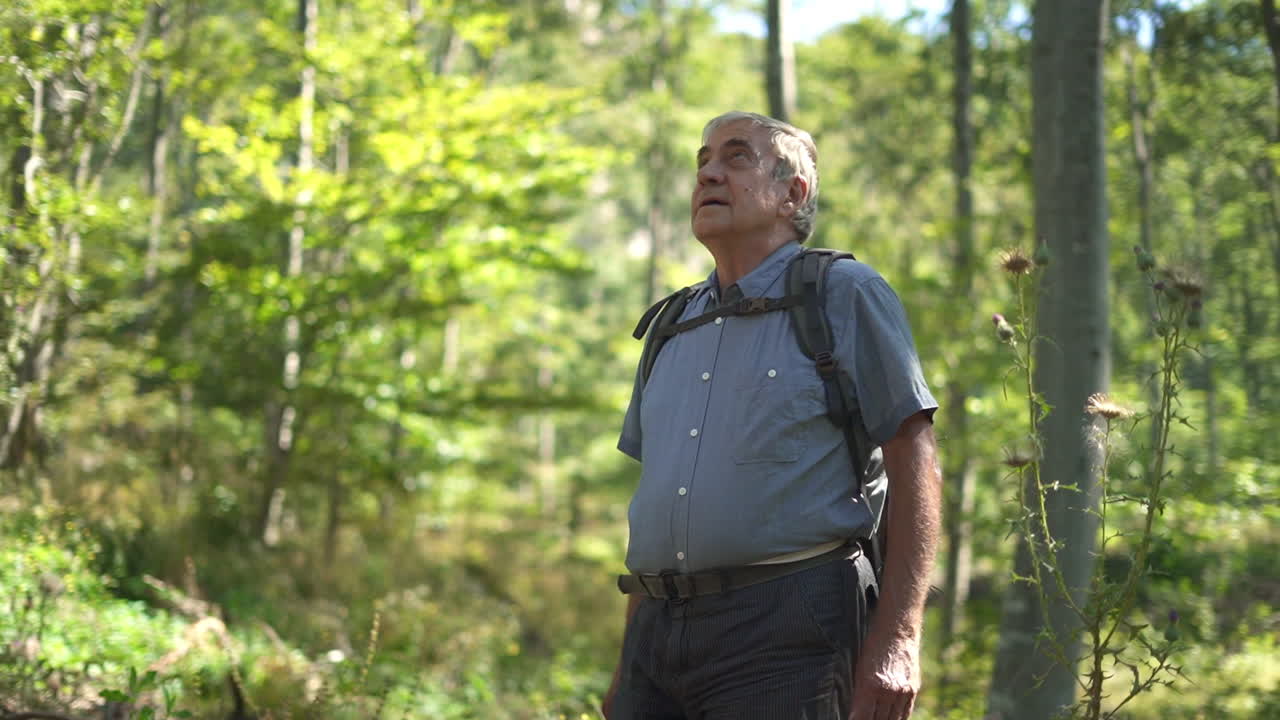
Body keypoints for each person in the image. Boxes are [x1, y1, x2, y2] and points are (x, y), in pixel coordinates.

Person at [602, 111, 942, 720]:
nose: (708, 172)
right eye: (702, 160)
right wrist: (629, 663)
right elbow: (658, 503)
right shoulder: (669, 326)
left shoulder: (845, 292)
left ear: (795, 193)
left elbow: (915, 460)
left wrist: (899, 639)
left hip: (789, 628)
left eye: (735, 158)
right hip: (654, 633)